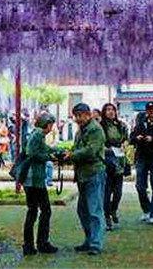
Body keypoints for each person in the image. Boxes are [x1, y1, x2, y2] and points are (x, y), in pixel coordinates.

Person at [64, 102, 106, 256]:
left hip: (93, 173)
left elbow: (90, 151)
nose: (77, 119)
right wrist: (67, 156)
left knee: (94, 210)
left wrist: (72, 155)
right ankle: (89, 240)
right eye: (75, 116)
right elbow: (77, 150)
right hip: (82, 174)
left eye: (80, 115)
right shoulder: (80, 131)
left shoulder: (95, 130)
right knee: (83, 210)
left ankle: (96, 243)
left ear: (88, 114)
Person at [22, 112, 59, 256]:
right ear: (47, 124)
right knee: (44, 210)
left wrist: (56, 151)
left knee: (33, 211)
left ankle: (30, 245)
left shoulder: (37, 134)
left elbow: (43, 149)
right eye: (51, 125)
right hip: (34, 179)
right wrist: (48, 157)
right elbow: (32, 153)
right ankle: (41, 243)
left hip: (31, 179)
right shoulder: (38, 134)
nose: (52, 128)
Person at [100, 103, 129, 231]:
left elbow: (127, 139)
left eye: (112, 109)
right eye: (108, 110)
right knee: (107, 191)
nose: (111, 112)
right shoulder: (101, 126)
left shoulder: (121, 125)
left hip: (120, 160)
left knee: (118, 192)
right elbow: (100, 143)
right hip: (107, 160)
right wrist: (108, 150)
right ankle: (107, 217)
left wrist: (124, 144)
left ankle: (113, 209)